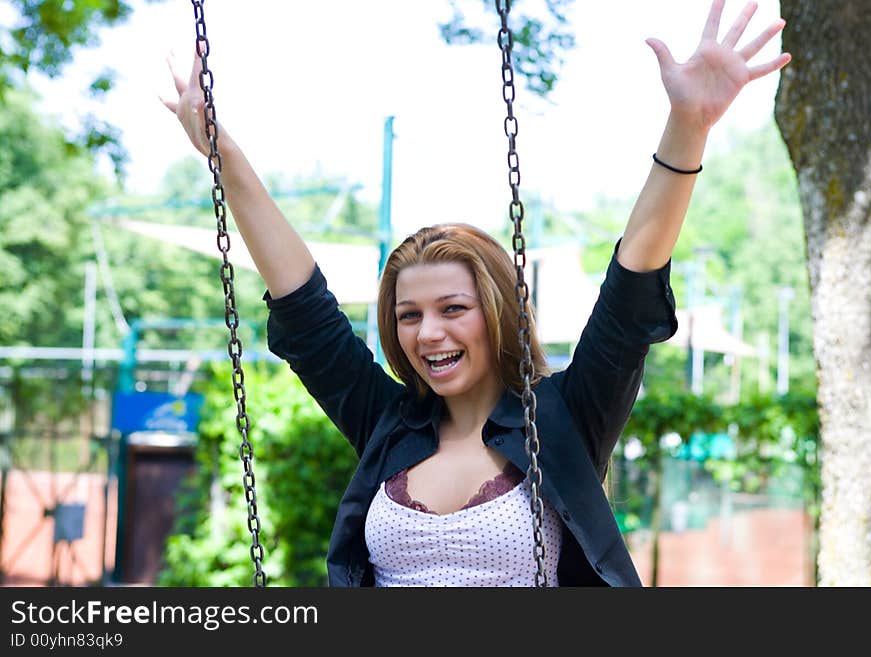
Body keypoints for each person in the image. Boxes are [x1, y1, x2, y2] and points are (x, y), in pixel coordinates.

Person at [162, 0, 790, 586]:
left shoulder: (566, 418)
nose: (428, 332)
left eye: (452, 309)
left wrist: (688, 127)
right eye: (409, 315)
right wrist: (223, 154)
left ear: (495, 315)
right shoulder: (387, 423)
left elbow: (629, 296)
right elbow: (306, 309)